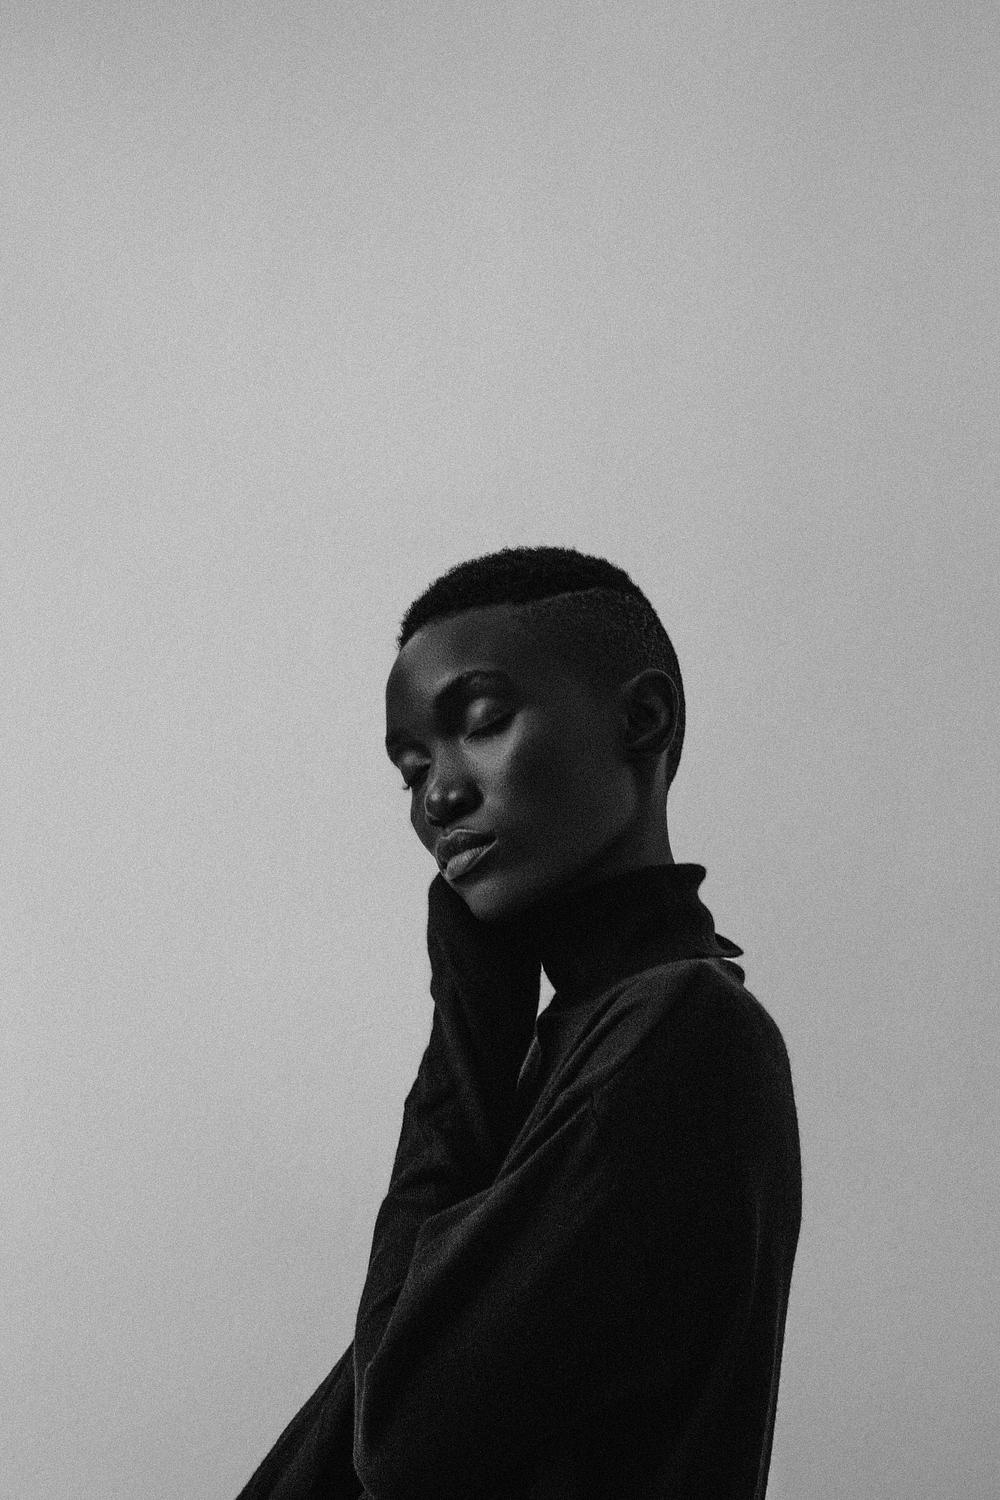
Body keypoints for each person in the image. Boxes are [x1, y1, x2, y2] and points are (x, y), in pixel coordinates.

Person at [235, 544, 801, 1498]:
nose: (439, 796)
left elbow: (404, 1441)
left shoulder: (679, 1031)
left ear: (643, 719)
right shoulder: (596, 1031)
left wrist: (466, 1020)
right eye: (412, 769)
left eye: (483, 723)